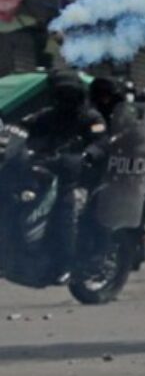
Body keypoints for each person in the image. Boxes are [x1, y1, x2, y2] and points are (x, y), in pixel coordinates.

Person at [20, 69, 108, 281]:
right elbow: (23, 130)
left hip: (79, 175)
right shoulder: (46, 117)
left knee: (64, 206)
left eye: (69, 93)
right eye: (61, 93)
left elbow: (102, 142)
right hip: (45, 170)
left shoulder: (90, 117)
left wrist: (88, 155)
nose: (65, 98)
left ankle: (66, 261)